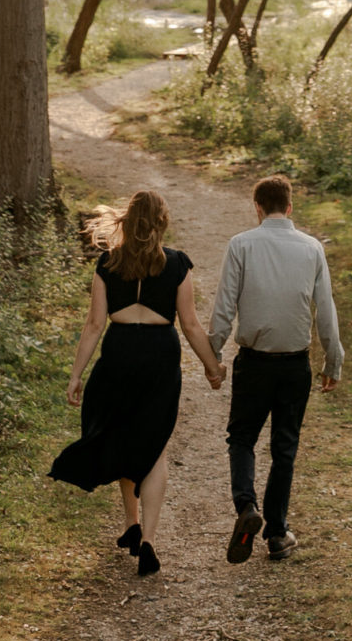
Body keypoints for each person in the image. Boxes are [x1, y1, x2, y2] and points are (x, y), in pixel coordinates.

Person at [49, 186, 223, 579]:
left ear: (127, 221)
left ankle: (131, 523)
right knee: (153, 446)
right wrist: (212, 367)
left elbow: (94, 324)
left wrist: (77, 374)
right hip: (160, 357)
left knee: (124, 436)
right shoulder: (178, 264)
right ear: (162, 222)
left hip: (119, 354)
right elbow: (192, 325)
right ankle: (148, 540)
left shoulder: (108, 262)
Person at [207, 170, 343, 563]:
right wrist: (333, 360)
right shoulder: (312, 248)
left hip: (254, 363)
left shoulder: (241, 245)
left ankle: (247, 508)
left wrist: (213, 356)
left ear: (257, 209)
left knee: (242, 439)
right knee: (285, 448)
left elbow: (224, 307)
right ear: (290, 206)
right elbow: (326, 312)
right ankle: (278, 534)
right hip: (295, 365)